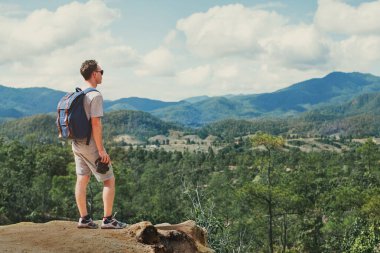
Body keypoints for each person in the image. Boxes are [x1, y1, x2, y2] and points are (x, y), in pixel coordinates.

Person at [73, 60, 126, 229]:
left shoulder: (78, 93)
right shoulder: (95, 95)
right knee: (109, 180)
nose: (102, 74)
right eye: (101, 71)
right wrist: (101, 150)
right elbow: (96, 124)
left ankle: (84, 219)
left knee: (82, 178)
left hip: (76, 143)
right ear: (94, 74)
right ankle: (108, 220)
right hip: (90, 145)